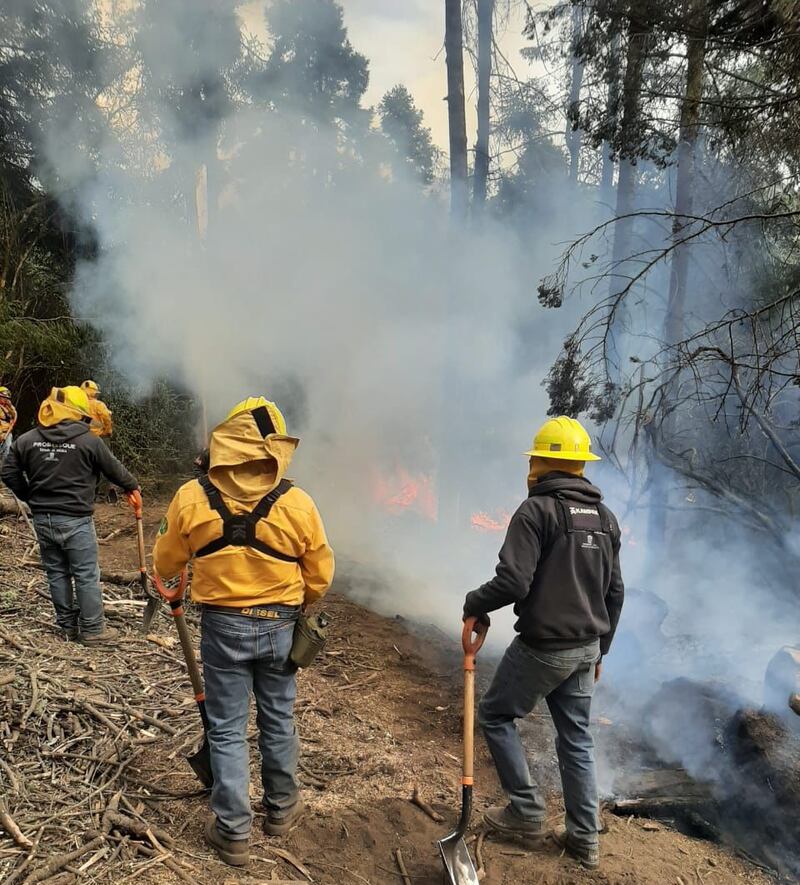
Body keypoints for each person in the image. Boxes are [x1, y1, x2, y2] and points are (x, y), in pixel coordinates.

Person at [153, 396, 334, 868]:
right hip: (280, 625)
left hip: (222, 627)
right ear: (275, 449)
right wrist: (302, 601)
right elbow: (319, 573)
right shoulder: (297, 502)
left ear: (227, 444)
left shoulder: (191, 496)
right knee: (278, 717)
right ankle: (281, 809)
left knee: (227, 727)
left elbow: (166, 561)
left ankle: (233, 832)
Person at [462, 416, 624, 870]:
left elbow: (513, 580)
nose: (530, 465)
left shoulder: (536, 512)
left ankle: (526, 810)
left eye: (534, 457)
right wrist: (601, 650)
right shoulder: (606, 519)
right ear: (579, 466)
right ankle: (584, 841)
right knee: (576, 739)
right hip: (587, 645)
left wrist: (474, 603)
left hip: (544, 646)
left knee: (495, 715)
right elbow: (615, 593)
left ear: (542, 463)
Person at [1, 386, 140, 644]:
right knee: (86, 574)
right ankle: (93, 630)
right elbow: (116, 471)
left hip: (42, 519)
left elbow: (8, 472)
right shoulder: (89, 441)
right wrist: (132, 487)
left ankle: (67, 627)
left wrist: (30, 495)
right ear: (79, 413)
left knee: (57, 572)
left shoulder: (27, 439)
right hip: (76, 520)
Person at [0, 386, 17, 468]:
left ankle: (3, 471)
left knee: (7, 451)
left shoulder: (10, 408)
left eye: (6, 398)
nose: (5, 399)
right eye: (3, 397)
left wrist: (6, 434)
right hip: (0, 432)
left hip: (7, 433)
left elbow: (14, 419)